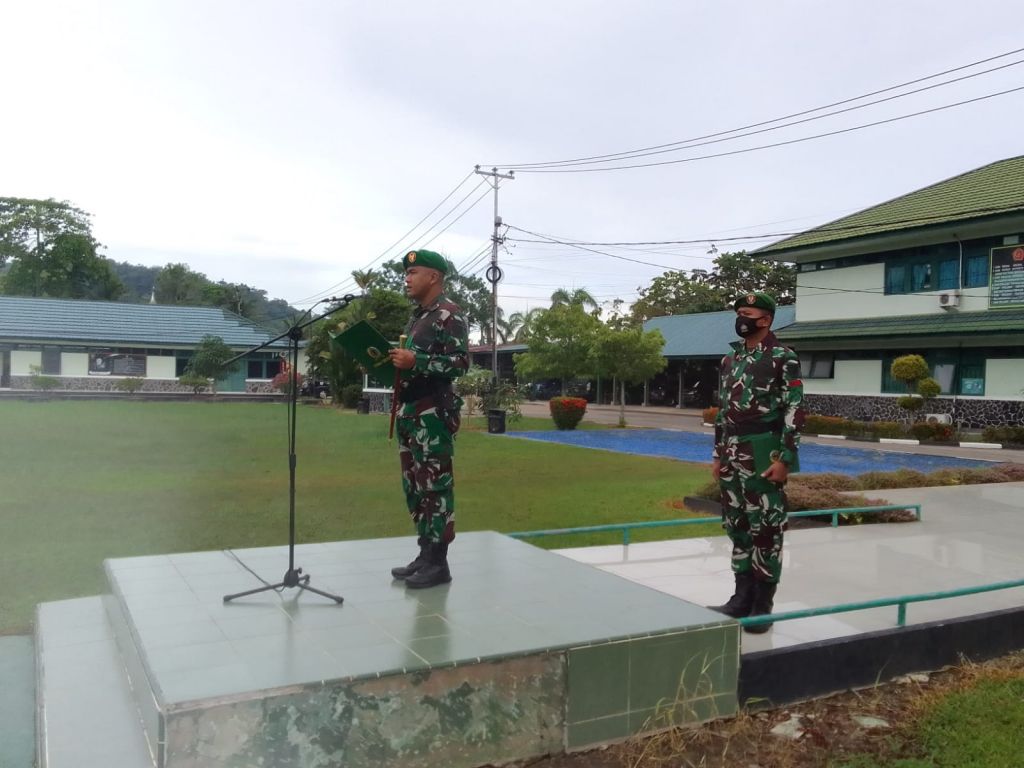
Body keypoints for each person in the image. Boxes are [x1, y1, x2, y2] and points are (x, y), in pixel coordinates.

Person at [709, 292, 804, 633]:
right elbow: (722, 411)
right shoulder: (729, 360)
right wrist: (718, 453)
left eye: (747, 313)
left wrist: (785, 459)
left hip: (764, 450)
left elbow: (794, 409)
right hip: (732, 451)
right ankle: (741, 598)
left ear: (765, 319)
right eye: (738, 313)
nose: (741, 318)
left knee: (765, 528)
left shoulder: (783, 357)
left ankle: (762, 605)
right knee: (737, 525)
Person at [388, 249, 469, 589]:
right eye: (406, 273)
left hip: (432, 414)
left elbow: (460, 364)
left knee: (435, 486)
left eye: (413, 272)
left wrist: (415, 361)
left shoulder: (449, 315)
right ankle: (425, 554)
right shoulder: (419, 316)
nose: (406, 279)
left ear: (433, 277)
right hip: (410, 413)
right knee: (416, 487)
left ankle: (439, 563)